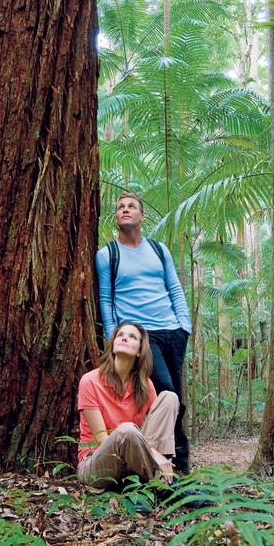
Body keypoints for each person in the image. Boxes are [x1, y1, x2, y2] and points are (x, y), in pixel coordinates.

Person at [96, 193, 192, 474]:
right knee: (165, 390)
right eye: (120, 207)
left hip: (172, 330)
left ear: (141, 216)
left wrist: (184, 325)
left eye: (131, 206)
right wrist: (115, 337)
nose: (125, 210)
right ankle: (171, 465)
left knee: (176, 397)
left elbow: (173, 287)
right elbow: (106, 299)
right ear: (117, 217)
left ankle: (179, 463)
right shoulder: (107, 255)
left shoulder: (159, 249)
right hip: (142, 335)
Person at [77, 322, 179, 488]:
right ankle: (167, 485)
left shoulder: (145, 385)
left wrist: (161, 456)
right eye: (120, 335)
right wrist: (155, 455)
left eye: (132, 337)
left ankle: (160, 480)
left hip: (134, 464)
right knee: (127, 430)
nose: (124, 337)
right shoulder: (90, 381)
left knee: (170, 397)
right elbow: (103, 440)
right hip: (97, 466)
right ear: (113, 344)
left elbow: (156, 431)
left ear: (139, 351)